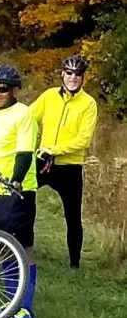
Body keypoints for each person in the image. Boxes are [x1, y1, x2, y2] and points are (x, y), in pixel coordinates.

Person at [0, 65, 38, 318]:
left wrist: (16, 179)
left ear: (14, 89)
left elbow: (24, 152)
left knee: (23, 246)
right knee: (4, 248)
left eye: (3, 88)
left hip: (18, 190)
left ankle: (25, 308)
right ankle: (9, 304)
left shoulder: (23, 114)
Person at [30, 55, 97, 269]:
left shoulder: (88, 104)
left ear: (83, 77)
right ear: (62, 74)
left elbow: (83, 139)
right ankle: (21, 246)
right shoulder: (49, 96)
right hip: (43, 161)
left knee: (73, 215)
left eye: (78, 74)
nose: (73, 78)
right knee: (21, 197)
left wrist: (55, 150)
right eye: (69, 73)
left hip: (69, 166)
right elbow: (30, 118)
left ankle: (74, 264)